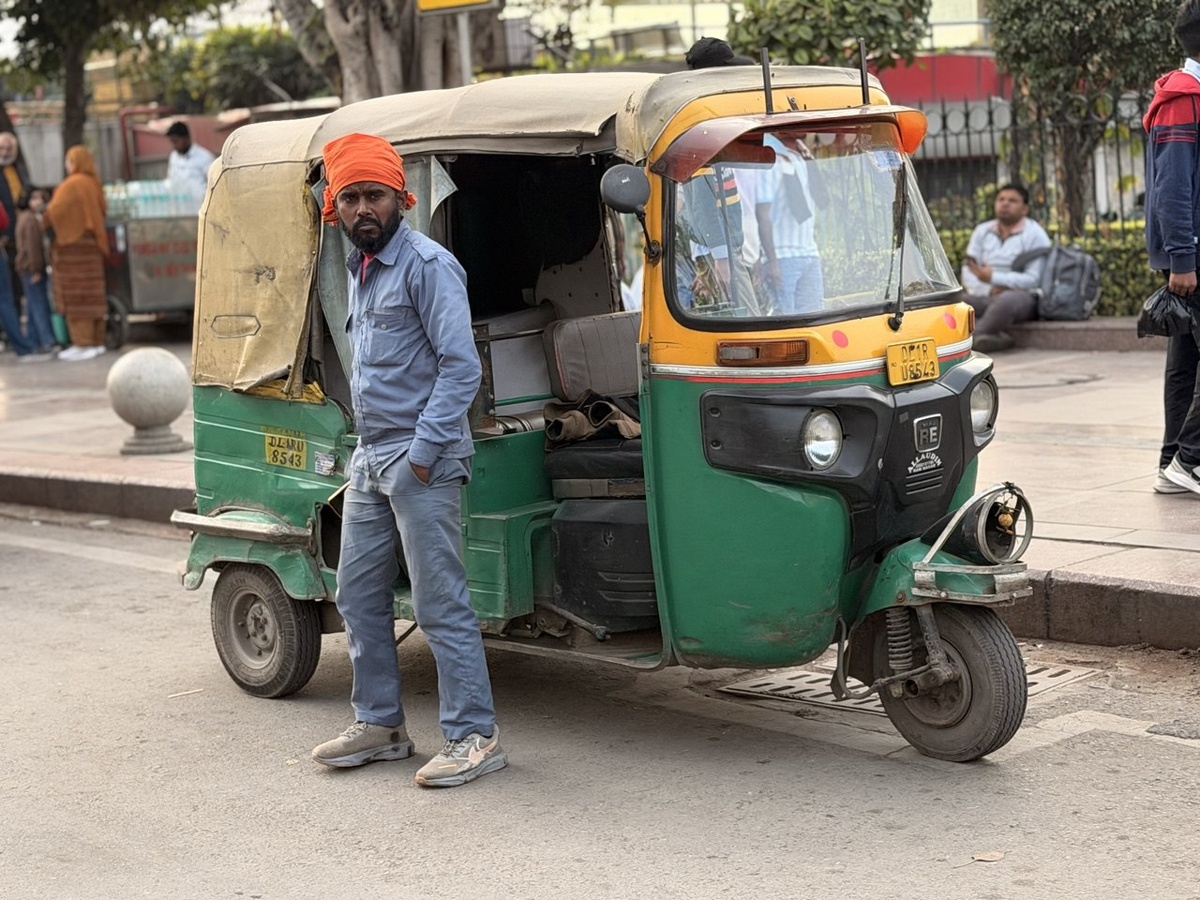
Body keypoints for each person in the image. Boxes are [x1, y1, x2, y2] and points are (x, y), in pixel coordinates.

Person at [310, 132, 506, 788]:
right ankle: (381, 725)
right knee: (358, 593)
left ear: (402, 198)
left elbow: (460, 367)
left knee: (438, 600)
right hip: (371, 455)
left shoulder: (428, 265)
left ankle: (475, 736)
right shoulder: (358, 265)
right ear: (332, 205)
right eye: (351, 197)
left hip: (420, 456)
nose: (364, 208)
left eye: (376, 195)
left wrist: (422, 455)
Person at [1146, 0, 1200, 495]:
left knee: (1186, 361)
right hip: (1196, 256)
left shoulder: (1188, 94)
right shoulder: (1185, 99)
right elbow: (1172, 186)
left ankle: (1174, 463)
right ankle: (1191, 459)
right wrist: (1182, 259)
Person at [960, 182, 1051, 353]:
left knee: (1006, 301)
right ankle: (992, 339)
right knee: (954, 301)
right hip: (985, 293)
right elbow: (969, 269)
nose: (1005, 203)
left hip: (1023, 297)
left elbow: (1034, 279)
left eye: (1012, 200)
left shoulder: (1036, 235)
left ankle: (968, 342)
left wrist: (993, 278)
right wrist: (988, 289)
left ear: (1025, 209)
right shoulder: (982, 231)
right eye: (1001, 199)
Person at [43, 145, 109, 362]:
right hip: (92, 246)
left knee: (76, 295)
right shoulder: (94, 183)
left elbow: (53, 212)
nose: (67, 165)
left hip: (71, 248)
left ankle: (82, 343)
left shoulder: (71, 185)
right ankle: (97, 341)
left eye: (69, 161)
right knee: (93, 293)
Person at [14, 187, 57, 360]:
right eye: (36, 198)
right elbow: (33, 248)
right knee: (39, 305)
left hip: (26, 268)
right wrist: (37, 269)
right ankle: (47, 341)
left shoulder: (23, 218)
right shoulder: (31, 220)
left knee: (32, 307)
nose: (40, 201)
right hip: (32, 269)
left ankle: (33, 341)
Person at [0, 131, 32, 349]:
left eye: (8, 149)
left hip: (18, 234)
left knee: (15, 286)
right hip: (5, 235)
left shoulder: (18, 169)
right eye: (2, 148)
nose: (5, 152)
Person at [165, 121, 216, 210]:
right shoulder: (174, 157)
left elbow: (214, 185)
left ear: (186, 138)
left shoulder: (204, 157)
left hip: (199, 209)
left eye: (176, 141)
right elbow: (171, 181)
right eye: (172, 142)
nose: (174, 145)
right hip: (179, 209)